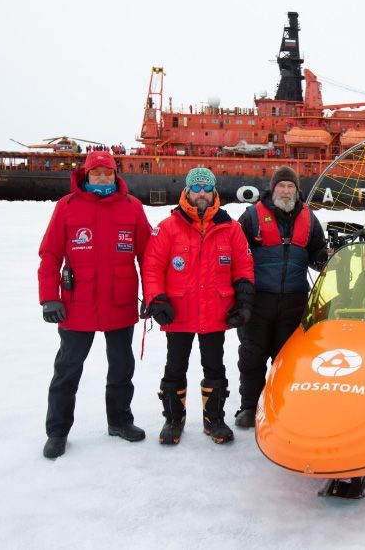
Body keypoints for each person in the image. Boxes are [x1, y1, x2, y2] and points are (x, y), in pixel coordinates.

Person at [38, 150, 151, 459]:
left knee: (121, 368)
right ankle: (58, 432)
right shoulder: (67, 207)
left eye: (107, 173)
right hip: (77, 306)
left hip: (120, 303)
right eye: (96, 173)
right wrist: (49, 297)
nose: (102, 178)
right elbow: (49, 255)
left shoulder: (132, 208)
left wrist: (153, 295)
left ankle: (119, 421)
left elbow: (148, 257)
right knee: (67, 370)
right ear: (86, 176)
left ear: (116, 175)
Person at [141, 168, 254, 445]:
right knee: (174, 367)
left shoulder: (231, 228)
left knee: (215, 367)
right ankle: (173, 419)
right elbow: (152, 267)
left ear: (214, 191)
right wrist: (157, 300)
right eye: (196, 188)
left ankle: (213, 419)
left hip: (216, 313)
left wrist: (244, 303)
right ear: (187, 191)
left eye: (206, 188)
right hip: (178, 313)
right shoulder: (168, 228)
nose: (201, 193)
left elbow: (244, 269)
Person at [233, 166, 329, 428]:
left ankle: (282, 404)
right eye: (281, 186)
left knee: (287, 358)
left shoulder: (310, 220)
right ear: (272, 189)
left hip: (294, 301)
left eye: (291, 187)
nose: (286, 191)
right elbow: (237, 256)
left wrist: (326, 259)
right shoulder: (252, 217)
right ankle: (250, 406)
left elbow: (317, 252)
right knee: (252, 356)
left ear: (297, 192)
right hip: (258, 301)